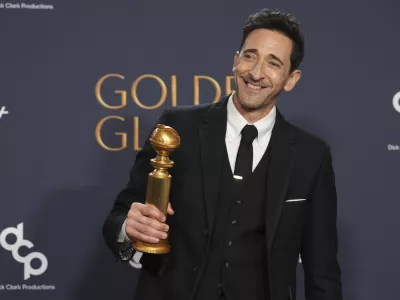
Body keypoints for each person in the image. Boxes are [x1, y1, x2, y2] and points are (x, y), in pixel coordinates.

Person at [103, 8, 343, 300]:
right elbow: (119, 215)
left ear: (291, 79)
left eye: (273, 63)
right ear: (235, 60)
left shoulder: (311, 155)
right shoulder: (178, 128)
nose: (255, 73)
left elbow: (323, 272)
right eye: (250, 56)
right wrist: (128, 227)